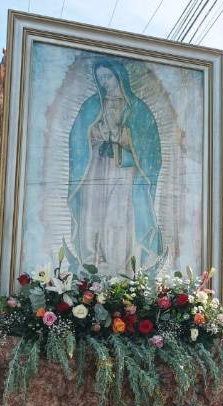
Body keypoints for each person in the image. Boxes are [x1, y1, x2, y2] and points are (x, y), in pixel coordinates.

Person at [68, 59, 163, 276]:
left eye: (108, 77)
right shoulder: (92, 105)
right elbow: (77, 137)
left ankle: (121, 270)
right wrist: (95, 133)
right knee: (92, 213)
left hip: (124, 170)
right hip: (95, 168)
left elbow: (150, 146)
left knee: (118, 216)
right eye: (100, 78)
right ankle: (91, 268)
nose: (104, 83)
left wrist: (122, 137)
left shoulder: (138, 109)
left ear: (119, 76)